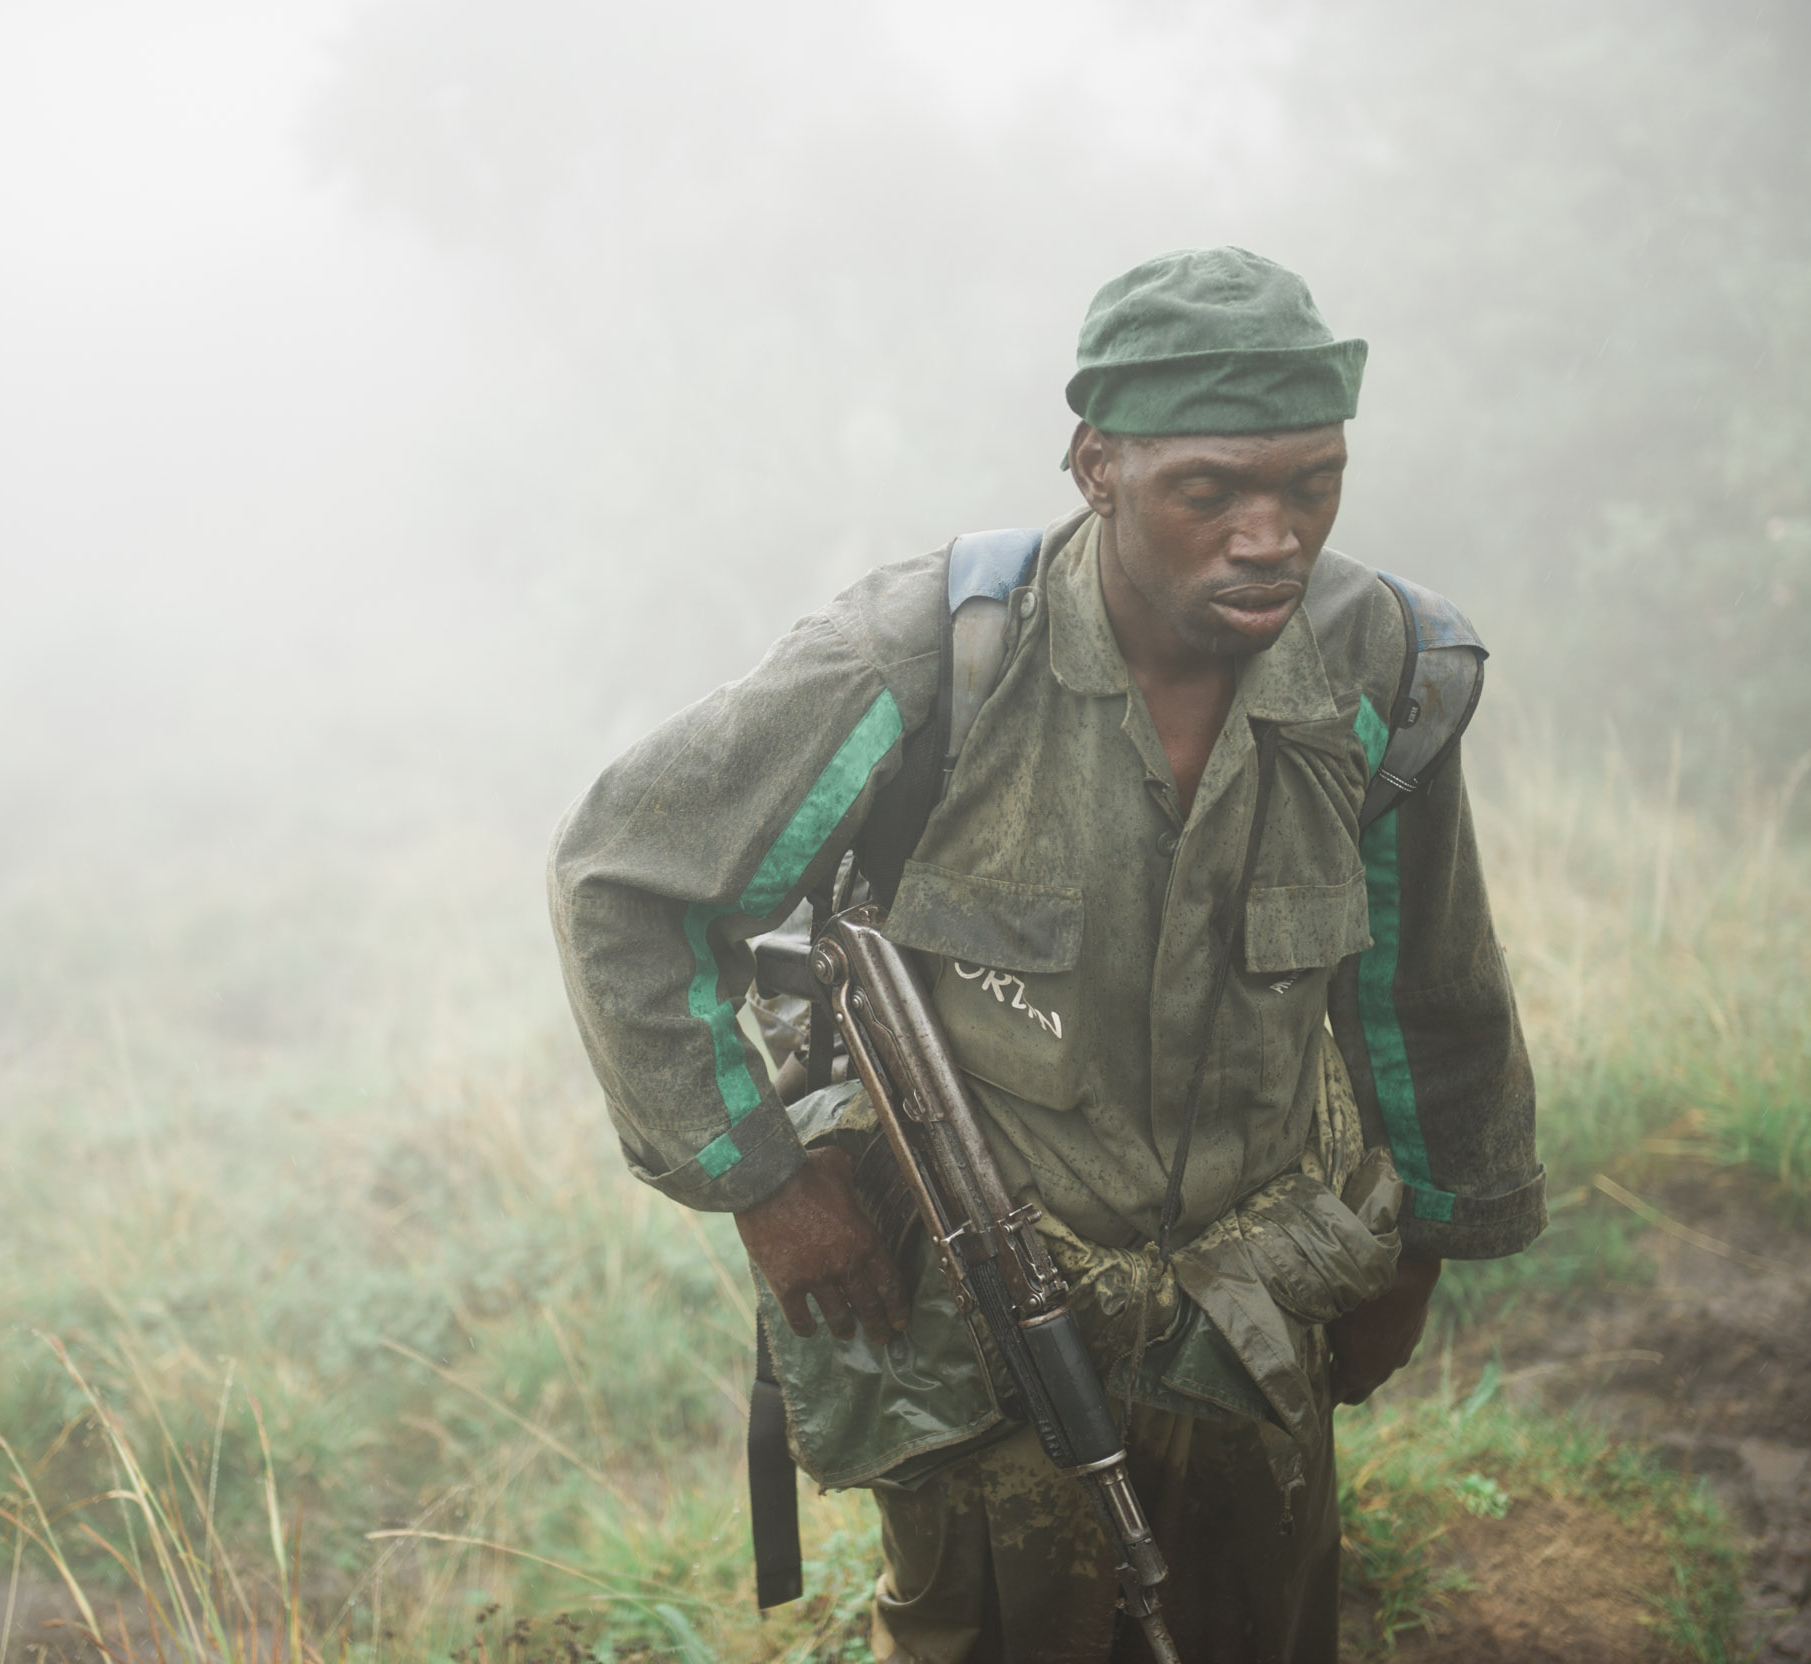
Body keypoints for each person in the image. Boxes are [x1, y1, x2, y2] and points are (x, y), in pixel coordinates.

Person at [548, 248, 1542, 1664]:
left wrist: (1422, 1249)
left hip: (1255, 1316)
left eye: (1310, 484)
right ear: (1097, 466)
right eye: (1212, 491)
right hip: (989, 1333)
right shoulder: (927, 661)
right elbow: (622, 880)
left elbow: (1425, 990)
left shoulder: (1377, 667)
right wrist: (763, 1185)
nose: (1272, 535)